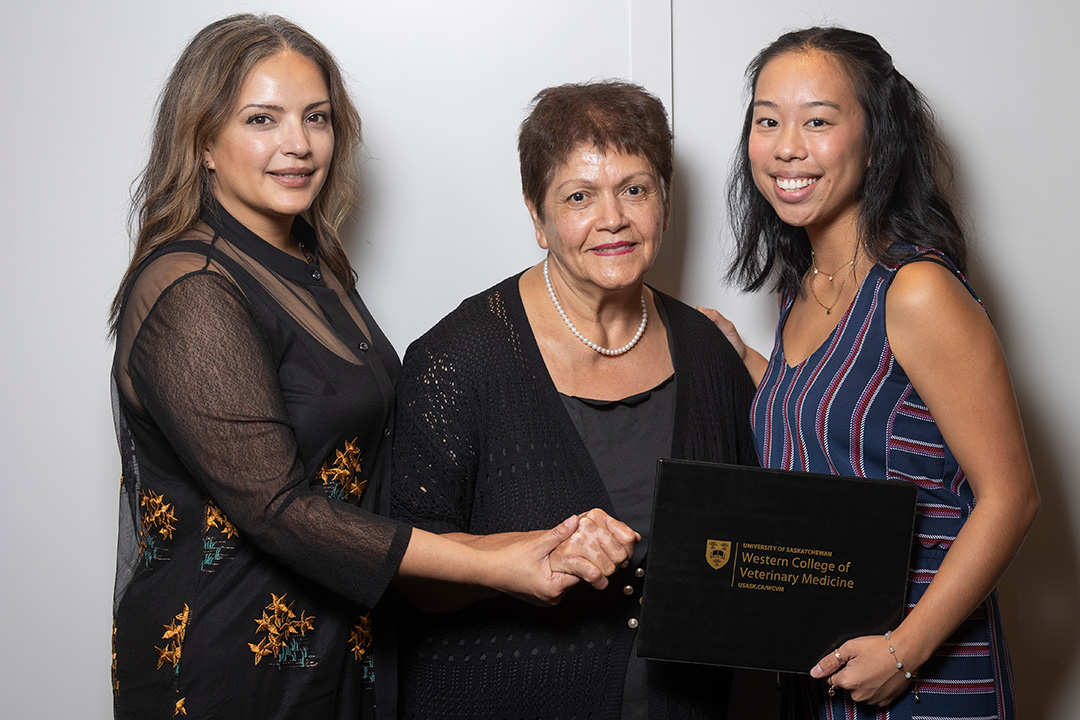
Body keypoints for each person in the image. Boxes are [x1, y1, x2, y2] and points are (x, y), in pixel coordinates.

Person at [108, 15, 635, 719]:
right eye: (262, 119)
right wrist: (494, 563)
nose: (298, 144)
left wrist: (526, 541)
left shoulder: (311, 263)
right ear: (204, 140)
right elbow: (280, 512)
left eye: (316, 118)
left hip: (342, 647)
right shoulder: (192, 289)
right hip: (232, 666)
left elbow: (370, 456)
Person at [390, 80, 758, 719]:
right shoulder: (458, 359)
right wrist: (522, 560)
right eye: (579, 196)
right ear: (537, 217)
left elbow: (755, 546)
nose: (612, 218)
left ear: (665, 206)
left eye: (635, 189)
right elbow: (409, 575)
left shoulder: (706, 352)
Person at [704, 26, 1039, 718]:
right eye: (767, 120)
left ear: (877, 136)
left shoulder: (916, 291)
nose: (786, 146)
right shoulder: (801, 287)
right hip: (822, 669)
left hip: (922, 675)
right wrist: (742, 357)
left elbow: (1011, 496)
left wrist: (903, 651)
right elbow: (844, 425)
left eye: (818, 121)